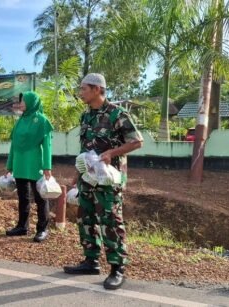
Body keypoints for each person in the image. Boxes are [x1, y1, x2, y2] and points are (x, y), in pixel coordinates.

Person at [63, 73, 143, 290]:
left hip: (109, 179)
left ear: (97, 89)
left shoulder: (117, 113)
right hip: (87, 177)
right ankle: (91, 261)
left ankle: (118, 268)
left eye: (83, 89)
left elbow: (137, 142)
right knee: (86, 217)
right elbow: (85, 150)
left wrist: (112, 152)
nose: (80, 93)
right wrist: (76, 176)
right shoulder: (86, 116)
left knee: (110, 220)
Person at [5, 91, 54, 243]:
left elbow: (47, 146)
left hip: (35, 165)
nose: (20, 104)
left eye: (23, 101)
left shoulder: (42, 120)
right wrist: (10, 164)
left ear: (32, 102)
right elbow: (14, 145)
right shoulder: (20, 121)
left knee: (40, 198)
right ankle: (22, 226)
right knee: (23, 198)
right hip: (20, 164)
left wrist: (47, 166)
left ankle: (42, 229)